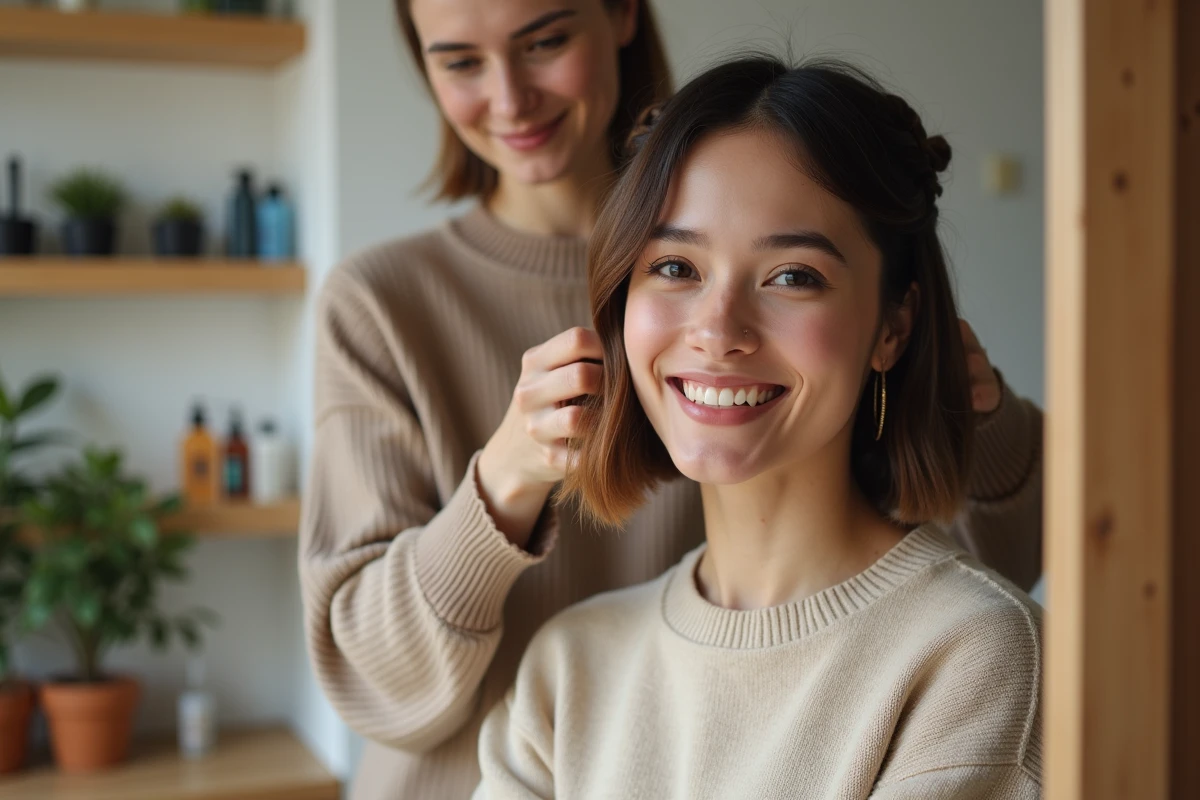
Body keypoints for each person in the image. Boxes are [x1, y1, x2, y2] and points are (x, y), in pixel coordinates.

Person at [299, 2, 1044, 797]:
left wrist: (970, 412)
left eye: (545, 41)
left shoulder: (967, 656)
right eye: (458, 61)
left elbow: (991, 574)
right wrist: (506, 480)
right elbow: (371, 683)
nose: (716, 331)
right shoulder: (378, 304)